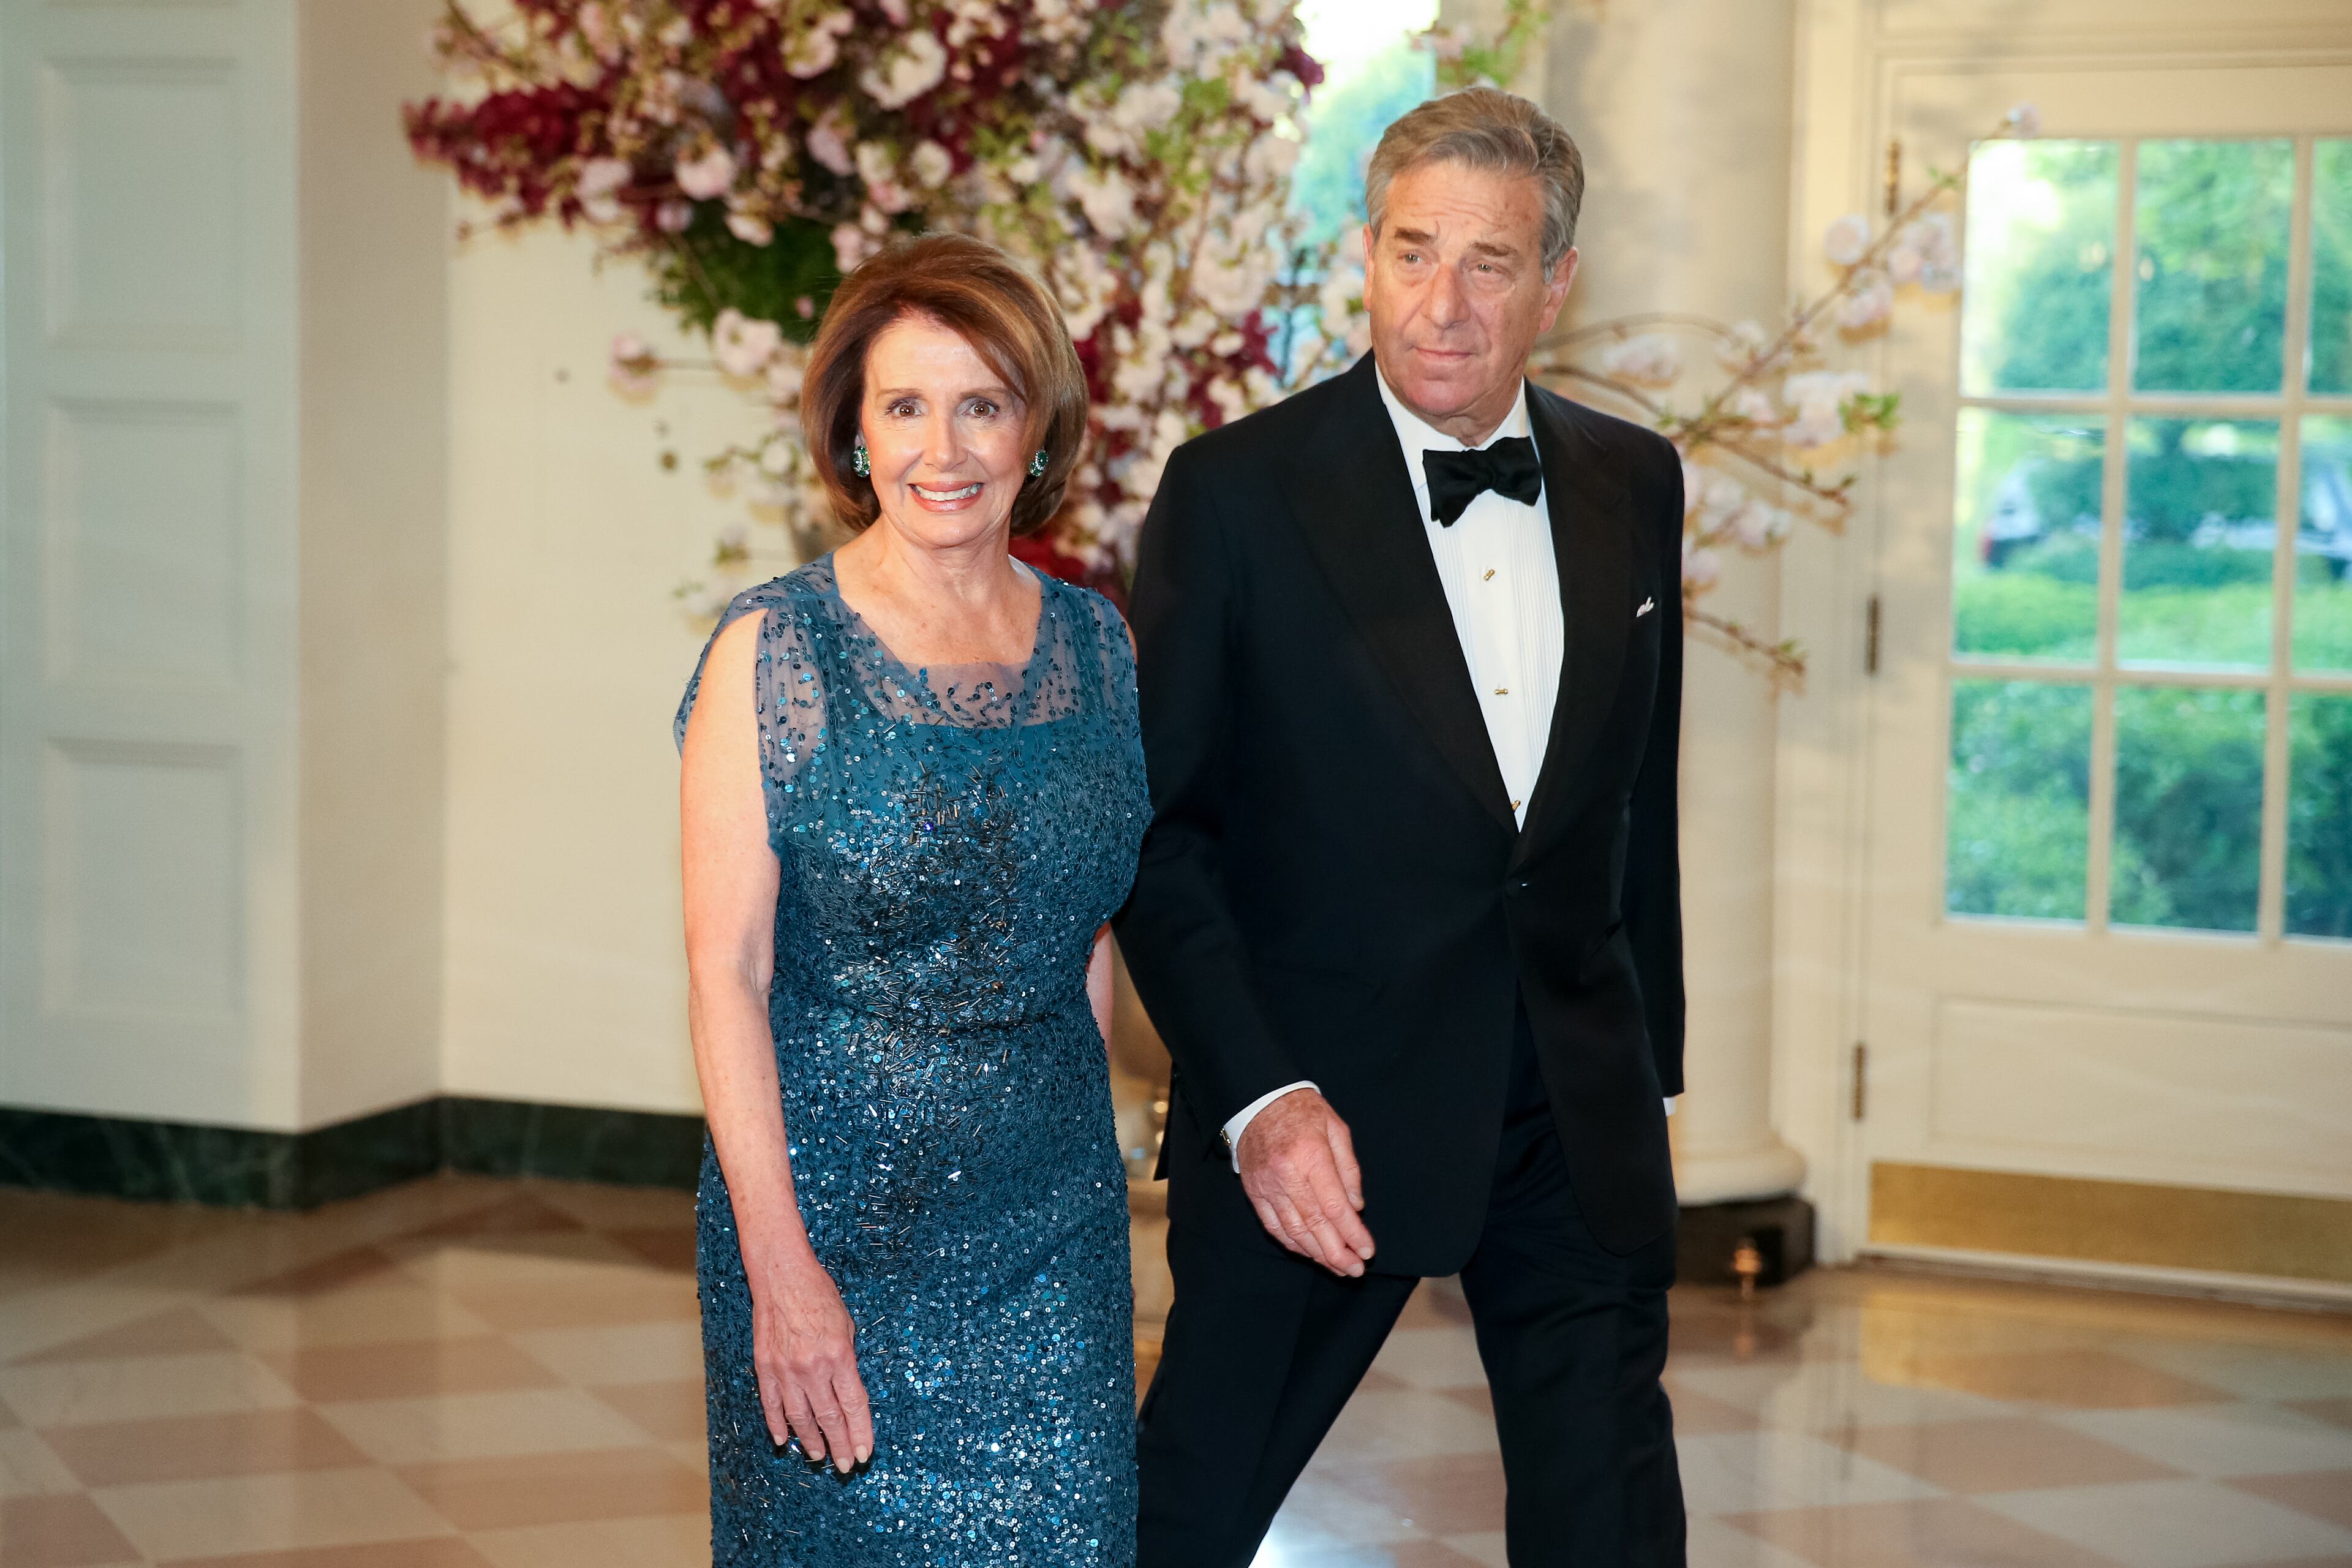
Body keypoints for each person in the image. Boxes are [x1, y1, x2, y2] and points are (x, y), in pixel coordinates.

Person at [1117, 87, 1689, 1566]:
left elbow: (1638, 801)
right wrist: (1256, 1101)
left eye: (1490, 262)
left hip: (1570, 1108)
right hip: (1322, 1109)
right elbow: (1163, 839)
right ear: (1362, 253)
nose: (1443, 304)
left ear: (1556, 282)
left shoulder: (1637, 481)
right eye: (1413, 251)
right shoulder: (1234, 494)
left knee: (1611, 1518)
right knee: (1188, 1505)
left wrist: (1647, 1077)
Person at [675, 232, 1147, 1566]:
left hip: (1053, 1234)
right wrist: (779, 1266)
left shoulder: (1098, 645)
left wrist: (1090, 1152)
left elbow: (1088, 932)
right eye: (906, 404)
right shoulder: (773, 651)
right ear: (857, 432)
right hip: (831, 1225)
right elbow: (728, 972)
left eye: (983, 402)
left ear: (1036, 426)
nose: (946, 446)